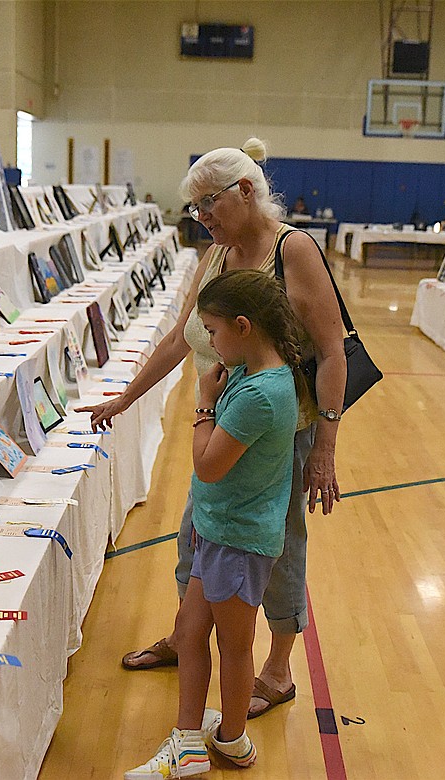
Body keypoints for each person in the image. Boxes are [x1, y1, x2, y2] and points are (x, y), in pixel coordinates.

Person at [76, 137, 346, 720]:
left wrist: (325, 447)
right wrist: (124, 398)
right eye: (194, 210)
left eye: (208, 206)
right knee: (196, 536)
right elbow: (181, 338)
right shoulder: (216, 254)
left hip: (279, 431)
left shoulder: (293, 250)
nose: (201, 219)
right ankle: (188, 636)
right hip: (221, 425)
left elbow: (332, 351)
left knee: (277, 547)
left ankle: (276, 670)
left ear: (245, 192)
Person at [125, 269, 303, 778]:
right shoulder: (255, 373)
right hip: (221, 529)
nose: (210, 343)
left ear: (244, 327)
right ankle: (188, 739)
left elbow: (208, 464)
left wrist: (204, 402)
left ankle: (231, 738)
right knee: (189, 629)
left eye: (213, 330)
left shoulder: (257, 395)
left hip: (238, 540)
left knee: (234, 645)